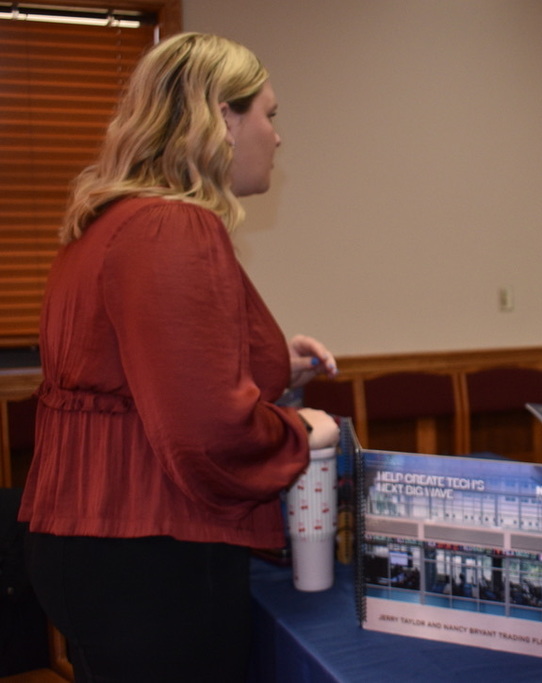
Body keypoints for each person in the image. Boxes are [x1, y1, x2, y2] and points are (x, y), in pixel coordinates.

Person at [18, 33, 341, 682]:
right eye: (269, 115)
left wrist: (278, 363)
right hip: (152, 553)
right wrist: (302, 432)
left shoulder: (108, 221)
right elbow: (207, 432)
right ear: (222, 116)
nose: (277, 136)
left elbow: (131, 370)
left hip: (91, 539)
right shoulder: (174, 225)